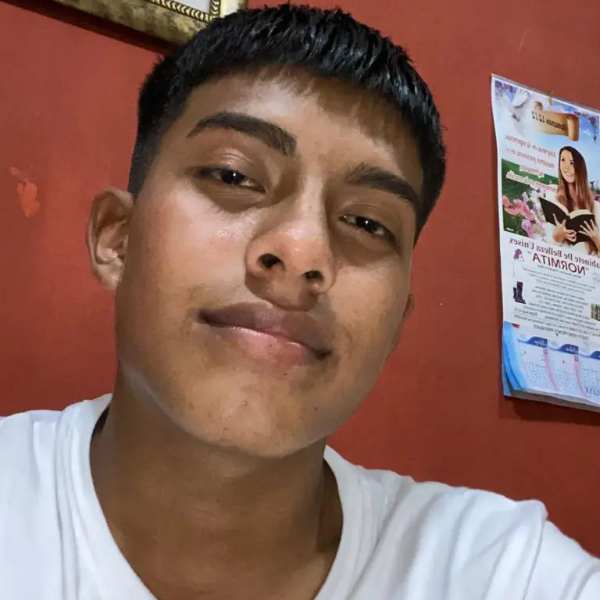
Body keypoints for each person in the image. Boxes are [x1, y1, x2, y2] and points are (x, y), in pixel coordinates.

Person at [0, 5, 599, 599]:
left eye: (368, 223)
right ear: (118, 239)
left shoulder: (499, 571)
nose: (303, 250)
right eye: (233, 176)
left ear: (396, 325)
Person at [552, 146, 600, 254]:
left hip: (588, 263)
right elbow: (545, 245)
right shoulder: (554, 199)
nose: (566, 167)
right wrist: (557, 236)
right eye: (562, 160)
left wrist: (596, 238)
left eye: (571, 163)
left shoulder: (596, 207)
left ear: (580, 168)